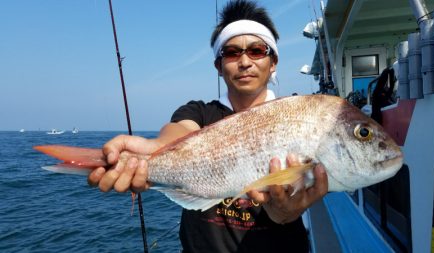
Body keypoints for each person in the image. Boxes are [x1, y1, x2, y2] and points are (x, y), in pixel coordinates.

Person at [88, 0, 328, 252]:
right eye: (232, 52)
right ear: (218, 65)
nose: (245, 61)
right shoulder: (199, 112)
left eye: (257, 50)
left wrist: (285, 212)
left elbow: (293, 203)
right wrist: (154, 150)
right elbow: (179, 132)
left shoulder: (296, 116)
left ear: (273, 61)